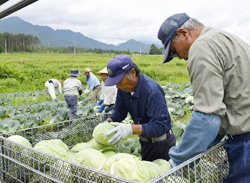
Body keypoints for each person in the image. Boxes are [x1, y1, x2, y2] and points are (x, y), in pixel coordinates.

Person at [158, 13, 250, 182]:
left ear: (183, 33)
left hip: (246, 144)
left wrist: (177, 163)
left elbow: (207, 118)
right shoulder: (226, 38)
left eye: (173, 50)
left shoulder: (202, 47)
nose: (177, 57)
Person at [105, 54, 176, 162]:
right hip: (145, 142)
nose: (117, 87)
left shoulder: (152, 91)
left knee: (163, 176)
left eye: (119, 82)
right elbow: (120, 110)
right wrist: (109, 121)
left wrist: (131, 129)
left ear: (132, 73)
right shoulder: (123, 89)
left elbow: (159, 126)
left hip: (162, 145)